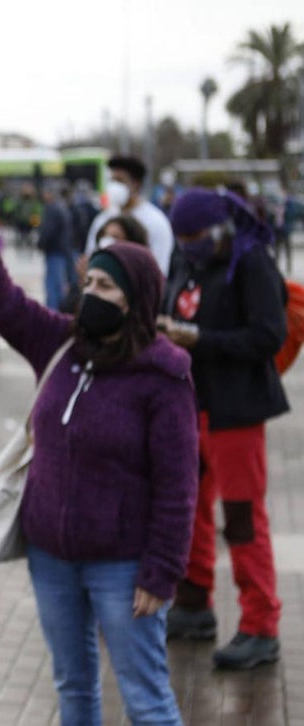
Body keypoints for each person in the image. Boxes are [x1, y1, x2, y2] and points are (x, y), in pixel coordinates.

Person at [0, 183, 198, 725]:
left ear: (136, 298)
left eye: (106, 286)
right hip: (52, 557)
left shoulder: (165, 375)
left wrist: (161, 573)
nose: (90, 293)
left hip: (124, 565)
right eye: (88, 280)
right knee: (74, 688)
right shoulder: (62, 344)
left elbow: (179, 487)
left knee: (146, 697)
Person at [160, 188, 289, 670]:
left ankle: (261, 625)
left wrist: (199, 339)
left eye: (195, 235)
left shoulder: (250, 262)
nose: (188, 243)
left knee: (240, 517)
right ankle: (194, 602)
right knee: (189, 507)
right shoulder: (189, 261)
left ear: (221, 227)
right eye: (181, 236)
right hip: (191, 407)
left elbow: (268, 335)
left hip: (236, 413)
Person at [84, 156, 175, 277]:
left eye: (120, 181)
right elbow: (90, 256)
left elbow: (159, 271)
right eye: (112, 181)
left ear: (136, 184)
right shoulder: (103, 219)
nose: (114, 186)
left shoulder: (155, 222)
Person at [38, 184, 77, 312]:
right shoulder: (62, 207)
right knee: (59, 284)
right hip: (62, 250)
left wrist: (41, 244)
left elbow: (48, 230)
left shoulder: (52, 209)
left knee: (52, 286)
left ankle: (52, 314)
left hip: (54, 251)